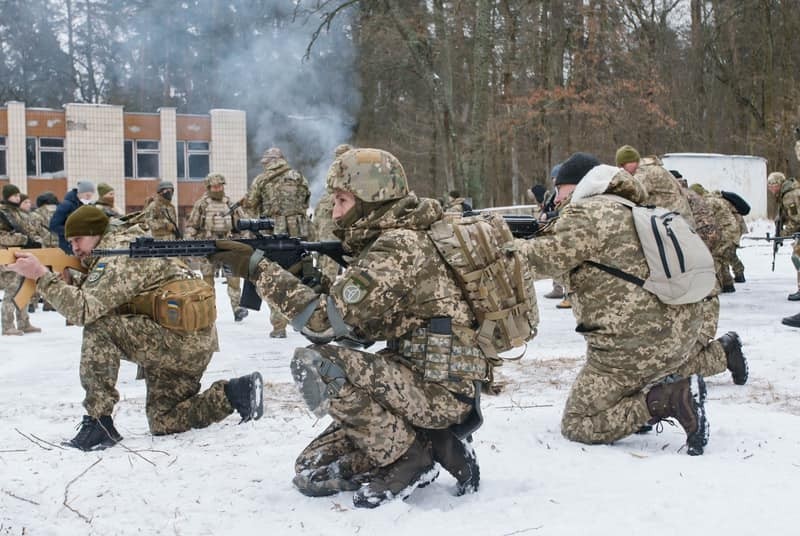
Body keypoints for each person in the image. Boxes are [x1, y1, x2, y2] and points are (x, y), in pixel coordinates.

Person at [210, 148, 486, 507]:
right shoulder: (395, 240)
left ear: (371, 197)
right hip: (415, 381)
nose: (336, 212)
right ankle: (434, 443)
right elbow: (354, 329)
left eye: (341, 200)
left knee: (314, 364)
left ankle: (409, 458)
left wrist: (259, 269)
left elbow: (323, 324)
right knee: (311, 471)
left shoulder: (399, 247)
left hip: (438, 391)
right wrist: (303, 275)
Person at [5, 205, 263, 451]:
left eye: (78, 240)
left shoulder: (118, 255)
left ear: (96, 234)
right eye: (70, 242)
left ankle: (99, 423)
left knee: (100, 329)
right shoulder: (125, 245)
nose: (74, 247)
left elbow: (83, 311)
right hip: (188, 342)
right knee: (164, 420)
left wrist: (41, 276)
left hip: (176, 342)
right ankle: (235, 394)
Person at [516, 152, 709, 455]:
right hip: (678, 333)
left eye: (560, 189)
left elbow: (539, 260)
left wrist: (498, 243)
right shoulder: (630, 205)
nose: (556, 197)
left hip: (634, 346)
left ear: (575, 186)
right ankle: (651, 392)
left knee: (578, 422)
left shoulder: (586, 213)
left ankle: (668, 399)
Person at [244, 147, 310, 338]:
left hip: (272, 234)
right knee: (296, 276)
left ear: (268, 162)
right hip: (298, 234)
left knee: (273, 276)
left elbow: (251, 205)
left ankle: (279, 326)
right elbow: (305, 202)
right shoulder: (298, 176)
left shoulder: (261, 180)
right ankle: (300, 319)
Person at [185, 173, 249, 322]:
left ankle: (237, 308)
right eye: (214, 186)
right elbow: (192, 226)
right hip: (208, 245)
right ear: (209, 187)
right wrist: (189, 242)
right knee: (207, 281)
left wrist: (244, 239)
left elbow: (242, 224)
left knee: (233, 279)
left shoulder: (230, 204)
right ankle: (208, 311)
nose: (218, 189)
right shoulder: (202, 204)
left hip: (228, 245)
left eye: (220, 186)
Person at [0, 184, 42, 335]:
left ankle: (24, 322)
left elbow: (31, 231)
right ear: (7, 196)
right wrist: (23, 239)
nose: (18, 198)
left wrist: (35, 241)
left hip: (23, 255)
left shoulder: (18, 212)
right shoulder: (2, 213)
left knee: (24, 288)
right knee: (12, 290)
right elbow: (2, 236)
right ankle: (7, 326)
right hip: (8, 256)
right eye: (14, 195)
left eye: (19, 195)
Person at [312, 144, 352, 283]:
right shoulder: (346, 170)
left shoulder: (336, 169)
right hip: (332, 212)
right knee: (330, 252)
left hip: (326, 212)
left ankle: (323, 283)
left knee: (326, 251)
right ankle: (326, 286)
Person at [766, 171, 800, 300]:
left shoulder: (789, 196)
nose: (770, 189)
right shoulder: (788, 193)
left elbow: (796, 219)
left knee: (798, 257)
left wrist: (782, 234)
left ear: (778, 184)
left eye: (771, 185)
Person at [50, 180, 95, 253]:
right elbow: (54, 226)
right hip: (68, 246)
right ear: (80, 193)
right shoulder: (66, 205)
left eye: (91, 196)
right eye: (87, 195)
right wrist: (74, 232)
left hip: (84, 246)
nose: (89, 198)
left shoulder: (87, 206)